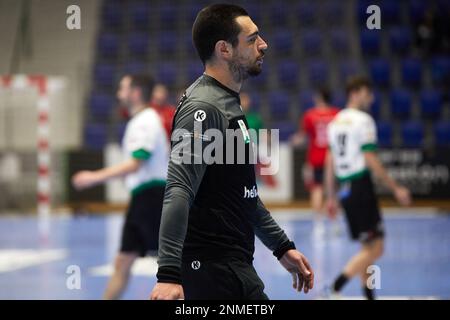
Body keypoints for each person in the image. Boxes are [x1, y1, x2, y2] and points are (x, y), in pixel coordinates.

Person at [150, 4, 314, 300]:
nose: (263, 45)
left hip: (233, 267)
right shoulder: (203, 108)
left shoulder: (226, 103)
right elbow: (179, 189)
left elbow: (242, 192)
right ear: (224, 49)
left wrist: (281, 246)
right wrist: (168, 275)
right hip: (211, 272)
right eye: (252, 39)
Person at [72, 74, 169, 299]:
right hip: (142, 198)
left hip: (152, 198)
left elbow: (136, 163)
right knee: (123, 261)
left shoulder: (146, 121)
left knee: (171, 267)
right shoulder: (140, 119)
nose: (118, 93)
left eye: (122, 88)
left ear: (135, 93)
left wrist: (94, 177)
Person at [325, 76, 411, 300]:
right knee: (376, 248)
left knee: (367, 247)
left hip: (346, 188)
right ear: (354, 93)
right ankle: (333, 288)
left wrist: (331, 196)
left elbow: (330, 161)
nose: (371, 99)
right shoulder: (363, 120)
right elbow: (370, 158)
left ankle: (369, 295)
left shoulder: (335, 122)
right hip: (361, 187)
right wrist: (396, 188)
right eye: (367, 93)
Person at [291, 87, 339, 238]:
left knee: (317, 189)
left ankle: (318, 225)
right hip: (333, 157)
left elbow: (302, 137)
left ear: (319, 97)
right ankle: (334, 223)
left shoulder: (310, 115)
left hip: (316, 157)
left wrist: (294, 140)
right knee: (333, 191)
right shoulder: (337, 114)